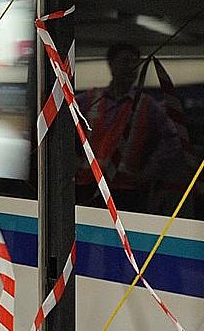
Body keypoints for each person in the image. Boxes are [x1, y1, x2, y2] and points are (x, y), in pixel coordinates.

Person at [75, 42, 192, 214]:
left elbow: (174, 139)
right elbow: (59, 124)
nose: (131, 68)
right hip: (88, 184)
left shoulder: (148, 105)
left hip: (126, 190)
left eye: (135, 63)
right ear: (111, 65)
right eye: (125, 61)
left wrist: (150, 171)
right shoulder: (90, 99)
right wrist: (71, 161)